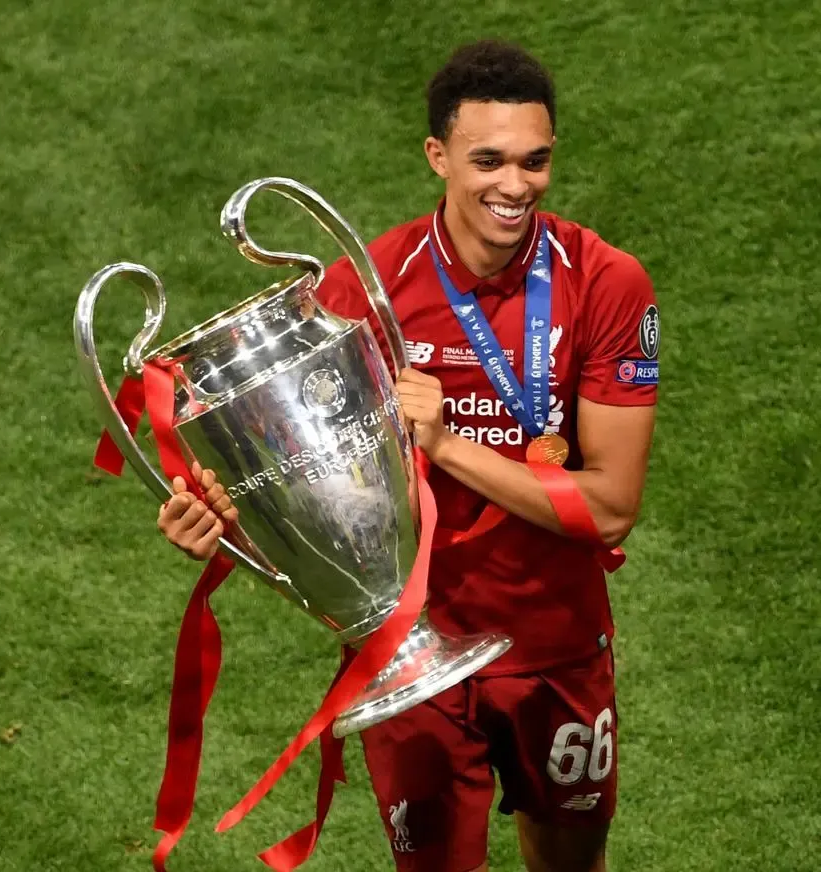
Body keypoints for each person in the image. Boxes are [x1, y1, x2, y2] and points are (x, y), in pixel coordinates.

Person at [156, 39, 660, 872]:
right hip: (410, 656)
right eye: (487, 160)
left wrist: (445, 442)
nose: (514, 186)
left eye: (535, 162)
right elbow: (303, 489)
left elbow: (610, 504)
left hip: (557, 645)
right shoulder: (364, 294)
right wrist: (219, 523)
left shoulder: (605, 283)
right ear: (438, 155)